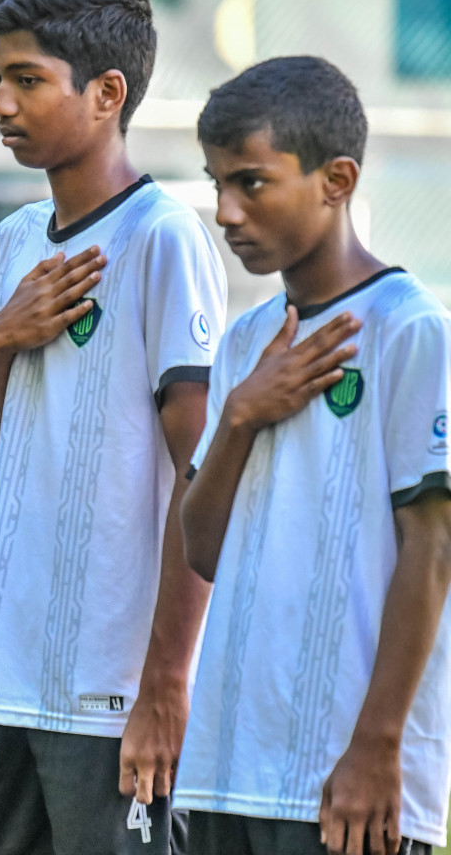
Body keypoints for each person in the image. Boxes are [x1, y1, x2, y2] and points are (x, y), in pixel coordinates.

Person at [0, 0, 226, 855]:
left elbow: (202, 476)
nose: (1, 106)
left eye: (26, 81)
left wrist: (165, 686)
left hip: (111, 696)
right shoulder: (12, 243)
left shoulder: (164, 240)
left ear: (108, 92)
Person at [176, 56, 451, 855]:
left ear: (336, 180)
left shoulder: (410, 330)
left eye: (251, 183)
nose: (225, 211)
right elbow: (201, 548)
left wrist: (377, 747)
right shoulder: (243, 342)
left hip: (346, 780)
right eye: (216, 183)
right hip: (228, 766)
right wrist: (239, 416)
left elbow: (431, 554)